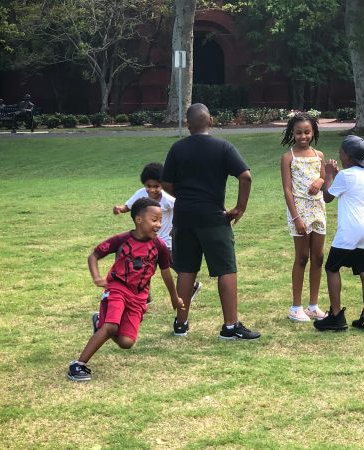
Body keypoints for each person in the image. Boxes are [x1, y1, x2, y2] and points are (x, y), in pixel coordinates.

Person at [162, 103, 260, 340]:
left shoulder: (177, 148)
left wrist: (186, 198)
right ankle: (230, 326)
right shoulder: (223, 147)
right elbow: (245, 176)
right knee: (226, 269)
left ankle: (181, 324)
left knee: (186, 270)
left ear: (188, 125)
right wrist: (240, 208)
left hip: (184, 217)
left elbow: (166, 185)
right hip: (214, 217)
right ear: (211, 121)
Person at [67, 197, 184, 381]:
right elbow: (94, 255)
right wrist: (97, 277)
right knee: (111, 326)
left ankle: (99, 323)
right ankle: (78, 365)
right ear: (139, 219)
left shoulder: (159, 246)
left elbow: (166, 273)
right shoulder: (121, 240)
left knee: (126, 342)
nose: (159, 225)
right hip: (117, 288)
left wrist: (174, 297)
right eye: (154, 220)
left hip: (139, 297)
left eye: (160, 220)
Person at [112, 162, 202, 307]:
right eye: (148, 186)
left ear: (162, 185)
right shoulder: (141, 194)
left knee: (175, 266)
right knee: (142, 266)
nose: (152, 189)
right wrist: (119, 209)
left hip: (165, 242)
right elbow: (128, 206)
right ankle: (144, 296)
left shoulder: (168, 199)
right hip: (146, 240)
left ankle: (192, 285)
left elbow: (181, 209)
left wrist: (176, 225)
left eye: (156, 186)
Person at [315, 136, 364, 332]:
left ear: (348, 156)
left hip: (351, 229)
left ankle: (336, 316)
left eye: (341, 153)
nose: (339, 155)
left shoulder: (345, 175)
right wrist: (335, 176)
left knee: (332, 267)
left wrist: (329, 174)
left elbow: (327, 197)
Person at [280, 113, 328, 322]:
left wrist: (320, 180)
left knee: (318, 257)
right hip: (299, 210)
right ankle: (295, 307)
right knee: (302, 257)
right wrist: (296, 218)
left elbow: (324, 178)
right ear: (292, 133)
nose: (303, 136)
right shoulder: (288, 157)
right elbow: (287, 189)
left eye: (307, 132)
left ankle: (313, 306)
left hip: (318, 209)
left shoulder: (319, 155)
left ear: (313, 132)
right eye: (298, 132)